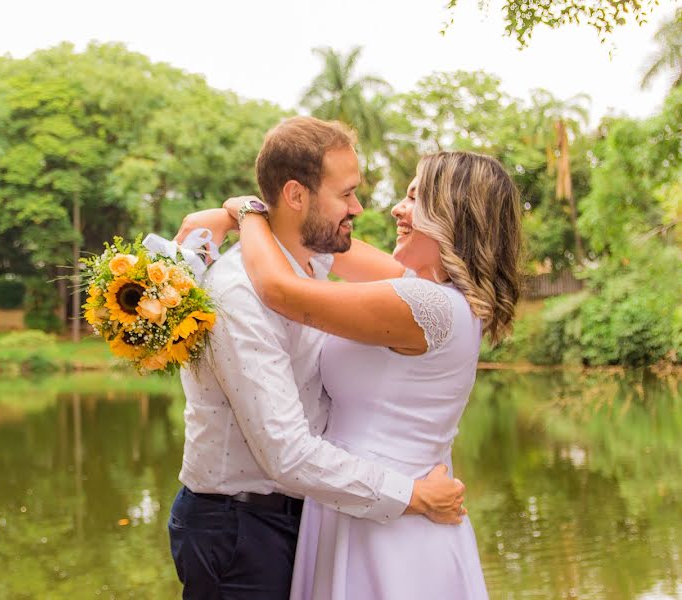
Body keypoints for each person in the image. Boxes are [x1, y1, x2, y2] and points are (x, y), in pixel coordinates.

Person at [167, 116, 468, 600]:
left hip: (299, 517)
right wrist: (412, 496)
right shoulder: (240, 292)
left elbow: (406, 277)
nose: (359, 207)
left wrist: (241, 213)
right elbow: (286, 452)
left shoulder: (314, 260)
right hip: (240, 529)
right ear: (296, 195)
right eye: (346, 194)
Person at [219, 149, 523, 598]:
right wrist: (266, 214)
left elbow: (280, 291)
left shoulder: (427, 306)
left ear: (453, 214)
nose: (398, 208)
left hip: (388, 519)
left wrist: (244, 211)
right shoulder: (437, 294)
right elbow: (327, 244)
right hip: (371, 500)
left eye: (416, 198)